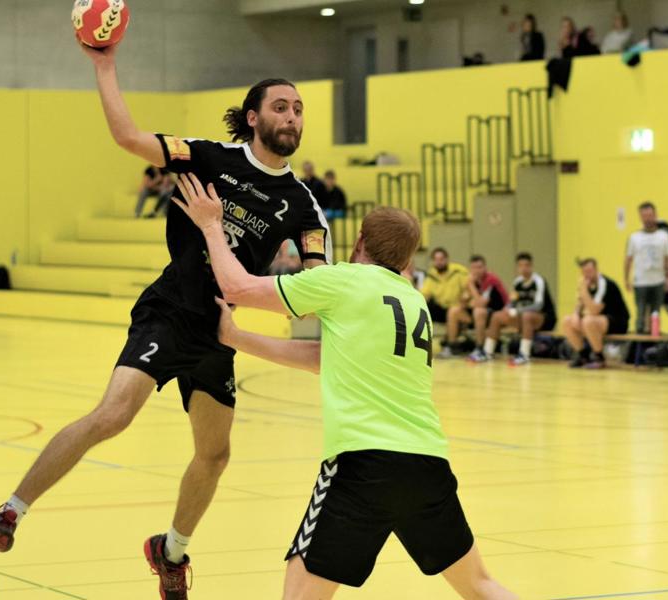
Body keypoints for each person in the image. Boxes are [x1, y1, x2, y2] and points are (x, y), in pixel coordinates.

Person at [0, 36, 331, 600]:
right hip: (168, 311)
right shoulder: (207, 155)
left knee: (214, 454)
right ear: (253, 117)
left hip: (219, 329)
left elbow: (316, 286)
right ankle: (10, 512)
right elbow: (127, 137)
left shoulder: (302, 203)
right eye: (280, 107)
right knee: (113, 415)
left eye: (298, 109)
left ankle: (170, 551)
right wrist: (105, 64)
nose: (292, 117)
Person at [171, 177, 518, 599]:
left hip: (361, 463)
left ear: (359, 241)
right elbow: (324, 359)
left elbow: (237, 286)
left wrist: (211, 226)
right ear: (408, 258)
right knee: (480, 585)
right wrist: (237, 338)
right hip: (427, 465)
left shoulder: (342, 281)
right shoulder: (413, 301)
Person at [470, 252, 556, 365]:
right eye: (520, 266)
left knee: (527, 315)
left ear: (531, 266)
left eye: (527, 265)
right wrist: (507, 308)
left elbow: (538, 305)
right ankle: (487, 352)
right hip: (523, 317)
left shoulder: (539, 281)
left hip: (544, 318)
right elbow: (512, 301)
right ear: (517, 267)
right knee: (497, 316)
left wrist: (518, 311)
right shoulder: (517, 282)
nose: (524, 268)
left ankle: (524, 354)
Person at [561, 258, 630, 370]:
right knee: (567, 321)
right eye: (584, 272)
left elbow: (594, 310)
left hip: (617, 321)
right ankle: (583, 355)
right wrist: (575, 315)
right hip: (598, 321)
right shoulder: (585, 284)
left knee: (588, 321)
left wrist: (583, 290)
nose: (586, 275)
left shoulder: (604, 283)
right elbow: (579, 305)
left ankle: (599, 357)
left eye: (589, 271)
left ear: (596, 269)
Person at [442, 256, 510, 359]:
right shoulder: (472, 281)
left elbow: (481, 303)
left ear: (485, 267)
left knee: (479, 311)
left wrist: (470, 285)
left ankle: (479, 348)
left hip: (497, 314)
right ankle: (452, 346)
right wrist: (466, 296)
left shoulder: (491, 280)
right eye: (474, 268)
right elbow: (463, 303)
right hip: (481, 315)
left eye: (479, 267)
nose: (477, 270)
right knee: (454, 311)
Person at [624, 202, 668, 334]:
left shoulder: (664, 236)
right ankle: (640, 344)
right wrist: (626, 278)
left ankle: (653, 344)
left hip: (658, 280)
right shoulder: (634, 238)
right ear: (640, 217)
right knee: (640, 314)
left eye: (650, 215)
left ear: (655, 215)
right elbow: (628, 259)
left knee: (655, 314)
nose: (647, 218)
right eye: (644, 216)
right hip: (641, 281)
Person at [419, 247, 469, 326]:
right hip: (443, 309)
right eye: (436, 260)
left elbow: (468, 290)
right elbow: (424, 294)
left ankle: (451, 338)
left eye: (441, 259)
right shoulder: (431, 275)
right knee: (423, 309)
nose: (439, 262)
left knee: (453, 311)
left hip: (461, 307)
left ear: (447, 259)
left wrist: (463, 302)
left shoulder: (458, 271)